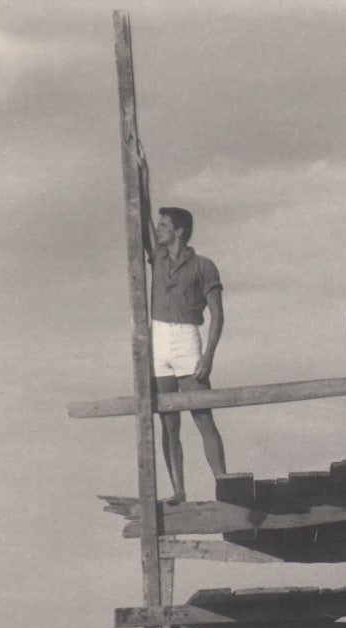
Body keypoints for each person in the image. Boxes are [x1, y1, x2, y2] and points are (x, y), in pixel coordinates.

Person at [138, 142, 227, 504]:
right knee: (167, 420)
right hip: (158, 339)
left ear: (180, 232)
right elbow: (140, 217)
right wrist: (143, 176)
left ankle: (224, 484)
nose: (158, 230)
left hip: (188, 339)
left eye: (164, 227)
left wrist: (209, 354)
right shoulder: (157, 258)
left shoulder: (203, 265)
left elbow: (218, 313)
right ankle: (178, 491)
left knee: (201, 415)